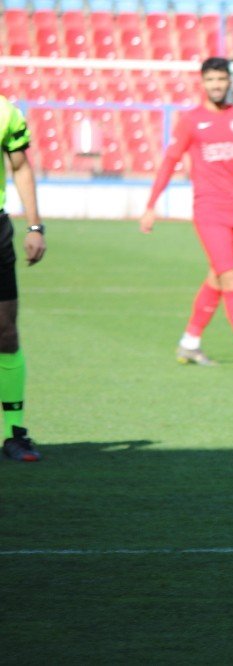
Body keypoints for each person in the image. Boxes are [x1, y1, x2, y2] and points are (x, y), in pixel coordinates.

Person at [140, 57, 233, 370]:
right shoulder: (191, 121)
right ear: (202, 83)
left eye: (221, 79)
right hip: (208, 211)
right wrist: (151, 205)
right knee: (230, 276)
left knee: (217, 278)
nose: (216, 85)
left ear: (229, 82)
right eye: (210, 80)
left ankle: (189, 343)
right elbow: (170, 161)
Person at [0, 95, 45, 461]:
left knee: (6, 330)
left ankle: (15, 433)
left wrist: (34, 226)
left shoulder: (5, 111)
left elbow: (20, 166)